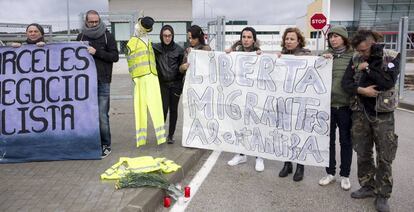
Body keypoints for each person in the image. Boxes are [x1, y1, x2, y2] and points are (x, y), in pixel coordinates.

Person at [341, 29, 399, 212]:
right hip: (360, 113)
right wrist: (362, 91)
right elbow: (346, 83)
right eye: (358, 50)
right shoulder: (355, 58)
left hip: (383, 114)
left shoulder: (391, 56)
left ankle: (382, 195)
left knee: (384, 156)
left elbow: (387, 82)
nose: (361, 54)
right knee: (363, 152)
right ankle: (367, 186)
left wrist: (367, 68)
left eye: (364, 50)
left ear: (373, 43)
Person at [76, 10, 119, 158]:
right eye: (91, 22)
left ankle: (106, 144)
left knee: (102, 115)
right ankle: (91, 142)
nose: (94, 24)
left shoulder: (107, 36)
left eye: (96, 21)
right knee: (87, 114)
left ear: (99, 20)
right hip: (85, 84)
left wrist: (97, 52)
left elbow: (115, 57)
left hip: (103, 81)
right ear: (86, 22)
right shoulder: (80, 36)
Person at [224, 27, 265, 172]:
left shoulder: (259, 54)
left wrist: (262, 56)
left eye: (249, 37)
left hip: (254, 97)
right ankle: (241, 154)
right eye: (244, 37)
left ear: (254, 39)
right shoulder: (235, 53)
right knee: (239, 126)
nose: (246, 39)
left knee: (255, 126)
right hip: (240, 97)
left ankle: (259, 156)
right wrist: (228, 54)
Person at [318, 25, 353, 190]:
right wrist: (321, 59)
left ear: (344, 38)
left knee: (346, 141)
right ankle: (330, 173)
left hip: (346, 107)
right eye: (330, 37)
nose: (333, 39)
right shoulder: (324, 56)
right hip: (327, 107)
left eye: (336, 36)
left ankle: (345, 175)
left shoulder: (353, 56)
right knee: (328, 142)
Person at [126, 16, 166, 148]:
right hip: (140, 78)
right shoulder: (132, 41)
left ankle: (161, 138)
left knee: (156, 106)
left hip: (152, 76)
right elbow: (130, 62)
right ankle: (141, 139)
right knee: (140, 108)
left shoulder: (147, 40)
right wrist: (134, 77)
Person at [278, 27, 311, 181]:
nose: (289, 41)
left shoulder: (307, 55)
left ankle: (300, 166)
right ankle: (287, 163)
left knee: (300, 134)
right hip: (285, 102)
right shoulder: (281, 55)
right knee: (286, 133)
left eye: (292, 39)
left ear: (299, 41)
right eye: (287, 39)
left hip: (300, 103)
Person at [153, 25, 185, 144]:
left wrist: (180, 86)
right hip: (162, 85)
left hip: (175, 84)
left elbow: (183, 68)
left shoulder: (179, 49)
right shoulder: (155, 48)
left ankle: (170, 135)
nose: (167, 38)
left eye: (169, 36)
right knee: (163, 110)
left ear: (172, 36)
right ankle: (161, 134)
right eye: (165, 36)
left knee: (174, 110)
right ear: (161, 36)